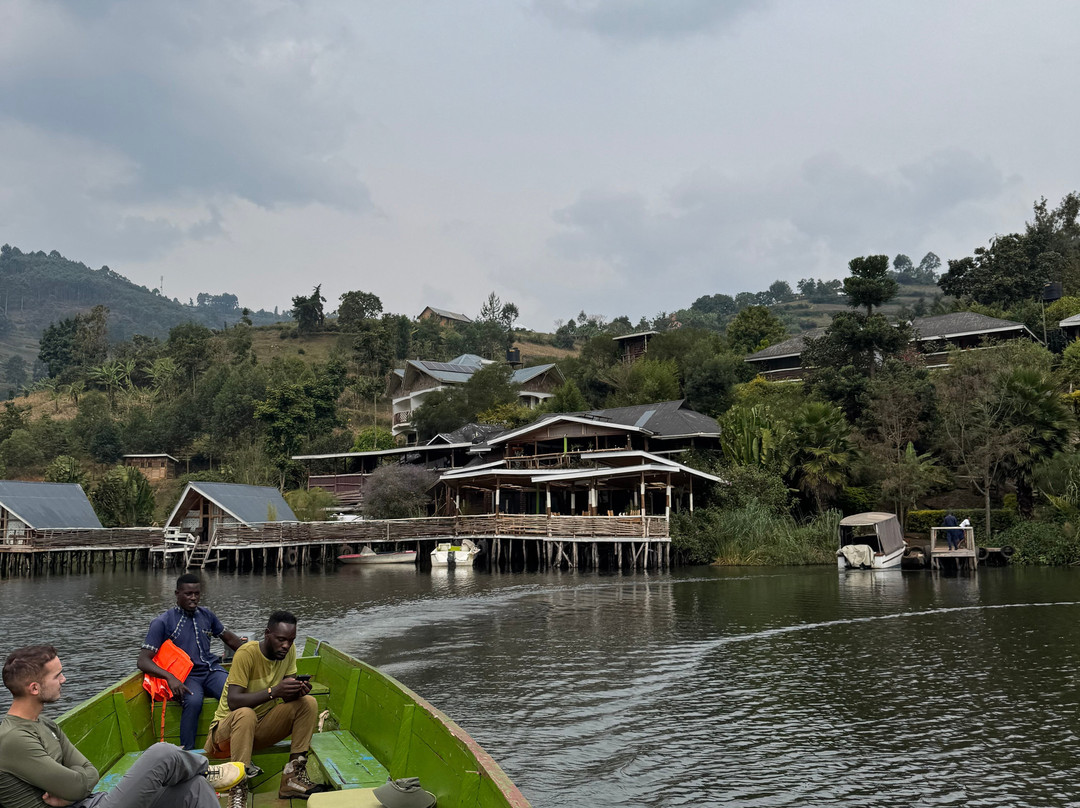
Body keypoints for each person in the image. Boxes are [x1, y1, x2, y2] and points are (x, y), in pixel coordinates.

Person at [0, 645, 246, 808]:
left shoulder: (45, 724)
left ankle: (199, 775)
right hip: (88, 804)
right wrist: (74, 788)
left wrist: (73, 790)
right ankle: (204, 769)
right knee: (162, 753)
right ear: (34, 688)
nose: (64, 679)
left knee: (194, 788)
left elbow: (89, 773)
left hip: (90, 802)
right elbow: (78, 784)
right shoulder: (13, 739)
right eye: (57, 676)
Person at [204, 610, 325, 800]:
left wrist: (297, 691)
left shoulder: (288, 651)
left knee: (308, 703)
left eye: (291, 640)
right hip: (225, 736)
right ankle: (237, 789)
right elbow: (233, 701)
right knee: (246, 714)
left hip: (258, 731)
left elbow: (286, 697)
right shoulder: (246, 653)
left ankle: (292, 779)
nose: (286, 645)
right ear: (267, 634)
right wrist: (273, 691)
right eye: (281, 639)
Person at [138, 573, 248, 750]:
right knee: (194, 702)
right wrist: (170, 678)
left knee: (235, 695)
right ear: (177, 594)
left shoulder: (207, 615)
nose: (194, 598)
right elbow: (143, 661)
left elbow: (231, 640)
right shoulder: (162, 622)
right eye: (188, 594)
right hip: (186, 677)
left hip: (211, 670)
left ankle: (234, 744)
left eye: (197, 593)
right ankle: (187, 752)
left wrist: (255, 654)